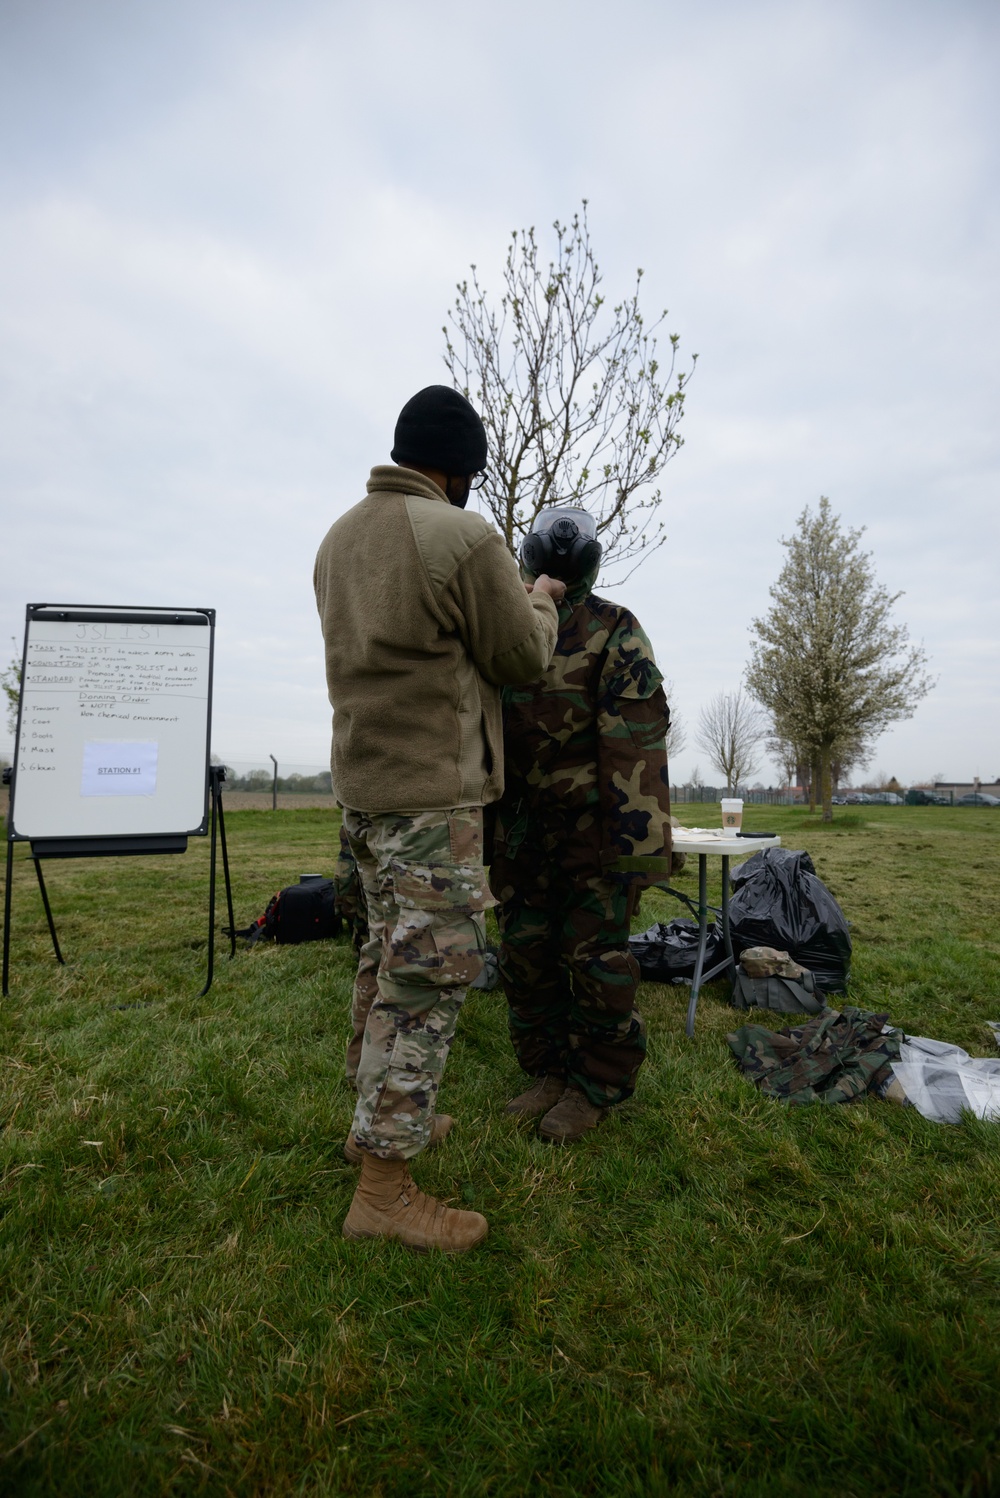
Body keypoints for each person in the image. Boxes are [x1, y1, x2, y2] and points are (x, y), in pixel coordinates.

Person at [314, 385, 564, 1253]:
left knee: (385, 959)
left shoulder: (337, 539)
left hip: (365, 800)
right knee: (427, 983)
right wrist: (541, 595)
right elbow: (521, 657)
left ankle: (371, 1122)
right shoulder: (461, 538)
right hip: (431, 804)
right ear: (459, 470)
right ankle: (384, 1189)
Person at [489, 506, 673, 1143]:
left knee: (595, 961)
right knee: (525, 956)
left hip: (592, 837)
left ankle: (595, 1084)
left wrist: (638, 854)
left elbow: (637, 745)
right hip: (517, 834)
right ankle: (547, 1071)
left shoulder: (615, 628)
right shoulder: (508, 624)